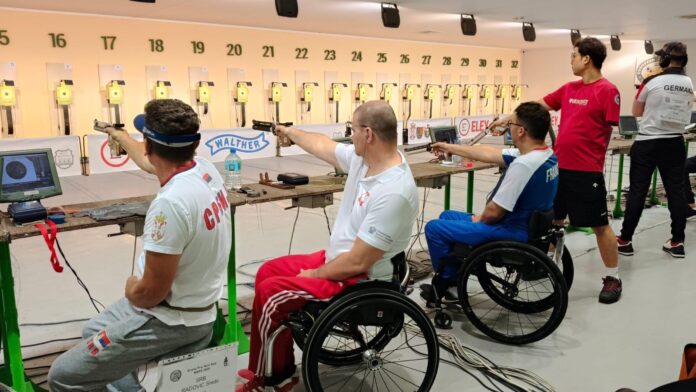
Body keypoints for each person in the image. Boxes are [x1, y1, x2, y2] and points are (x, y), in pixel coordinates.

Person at [48, 99, 232, 391]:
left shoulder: (170, 204)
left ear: (150, 144)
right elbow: (151, 164)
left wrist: (131, 288)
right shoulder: (206, 171)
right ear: (194, 144)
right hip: (199, 306)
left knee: (63, 375)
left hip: (168, 318)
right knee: (92, 329)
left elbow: (149, 293)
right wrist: (120, 136)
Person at [235, 100, 419, 391]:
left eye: (352, 129)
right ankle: (281, 368)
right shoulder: (365, 160)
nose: (350, 135)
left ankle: (267, 379)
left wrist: (316, 274)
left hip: (359, 277)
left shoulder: (393, 191)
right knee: (268, 272)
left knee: (272, 294)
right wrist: (290, 132)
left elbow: (359, 262)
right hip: (340, 259)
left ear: (368, 134)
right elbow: (321, 144)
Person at [492, 37, 622, 304]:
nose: (571, 60)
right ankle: (546, 264)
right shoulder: (569, 89)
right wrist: (508, 117)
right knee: (553, 221)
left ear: (586, 59)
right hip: (558, 167)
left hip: (587, 172)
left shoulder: (608, 91)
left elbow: (610, 125)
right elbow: (537, 106)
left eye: (574, 56)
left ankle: (613, 277)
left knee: (600, 226)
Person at [421, 102, 558, 302]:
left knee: (434, 228)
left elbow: (494, 212)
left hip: (512, 231)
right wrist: (449, 146)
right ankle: (455, 275)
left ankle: (449, 285)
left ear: (520, 131)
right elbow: (489, 153)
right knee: (447, 215)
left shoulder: (523, 165)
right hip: (529, 226)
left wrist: (478, 219)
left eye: (510, 123)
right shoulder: (544, 155)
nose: (507, 127)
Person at [617, 42, 693, 258]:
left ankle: (625, 239)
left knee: (637, 192)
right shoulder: (688, 82)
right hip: (674, 143)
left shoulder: (651, 81)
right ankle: (677, 241)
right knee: (676, 192)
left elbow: (636, 111)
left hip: (648, 142)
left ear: (665, 59)